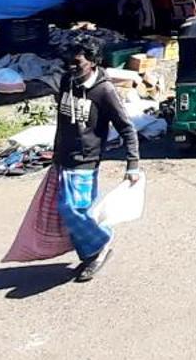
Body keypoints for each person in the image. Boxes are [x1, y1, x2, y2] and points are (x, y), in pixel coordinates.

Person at [53, 38, 143, 282]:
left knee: (72, 209)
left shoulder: (104, 90)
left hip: (86, 160)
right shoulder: (66, 82)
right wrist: (55, 155)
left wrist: (132, 165)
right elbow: (62, 123)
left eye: (77, 62)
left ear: (92, 62)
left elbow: (127, 128)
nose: (72, 67)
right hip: (63, 159)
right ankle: (90, 255)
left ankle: (101, 242)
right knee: (74, 212)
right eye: (68, 62)